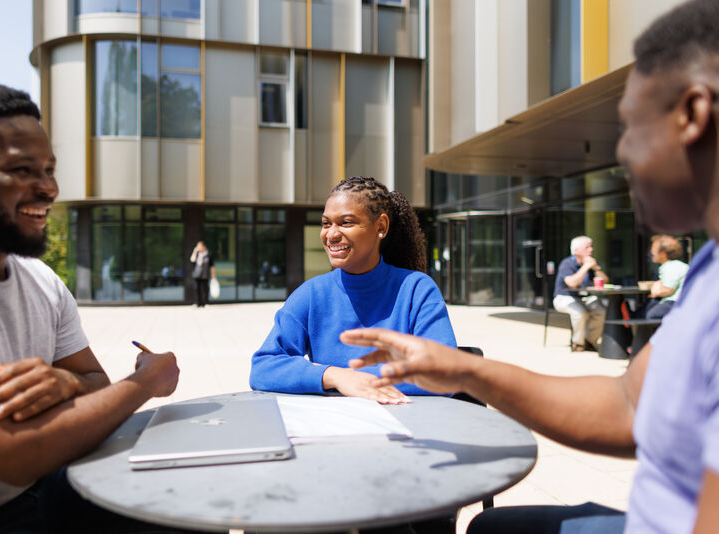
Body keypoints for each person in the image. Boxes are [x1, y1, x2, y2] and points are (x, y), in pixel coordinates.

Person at [340, 2, 719, 531]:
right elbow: (628, 404)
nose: (623, 151)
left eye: (630, 126)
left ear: (693, 115)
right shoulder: (709, 269)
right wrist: (466, 370)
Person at [0, 82, 181, 532]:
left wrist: (63, 380)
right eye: (22, 170)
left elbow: (94, 382)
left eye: (49, 169)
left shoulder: (39, 278)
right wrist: (146, 380)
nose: (48, 189)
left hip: (44, 485)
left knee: (179, 505)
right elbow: (14, 455)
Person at [249, 176, 457, 404]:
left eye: (346, 222)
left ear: (381, 226)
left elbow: (444, 371)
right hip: (334, 430)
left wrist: (356, 379)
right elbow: (263, 368)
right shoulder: (311, 294)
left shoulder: (416, 289)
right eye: (326, 223)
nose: (331, 234)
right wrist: (333, 375)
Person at [552, 236, 609, 351]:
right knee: (580, 312)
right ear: (576, 250)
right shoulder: (567, 263)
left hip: (584, 297)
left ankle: (589, 340)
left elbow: (605, 281)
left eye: (591, 247)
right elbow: (572, 283)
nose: (591, 250)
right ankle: (577, 343)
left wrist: (596, 268)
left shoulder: (591, 264)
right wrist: (586, 267)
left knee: (601, 311)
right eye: (587, 247)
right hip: (564, 297)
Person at [645, 234, 689, 318]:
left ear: (663, 253)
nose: (651, 252)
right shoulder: (674, 265)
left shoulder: (671, 266)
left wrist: (655, 291)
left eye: (653, 249)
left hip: (675, 302)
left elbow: (668, 290)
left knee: (651, 315)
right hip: (679, 302)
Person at [190, 240, 215, 307]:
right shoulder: (197, 254)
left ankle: (205, 303)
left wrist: (213, 275)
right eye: (197, 246)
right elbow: (192, 260)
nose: (198, 247)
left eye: (199, 246)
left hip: (205, 274)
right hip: (197, 274)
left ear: (204, 247)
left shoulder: (208, 254)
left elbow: (212, 266)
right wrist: (194, 251)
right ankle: (197, 303)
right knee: (196, 288)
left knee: (204, 289)